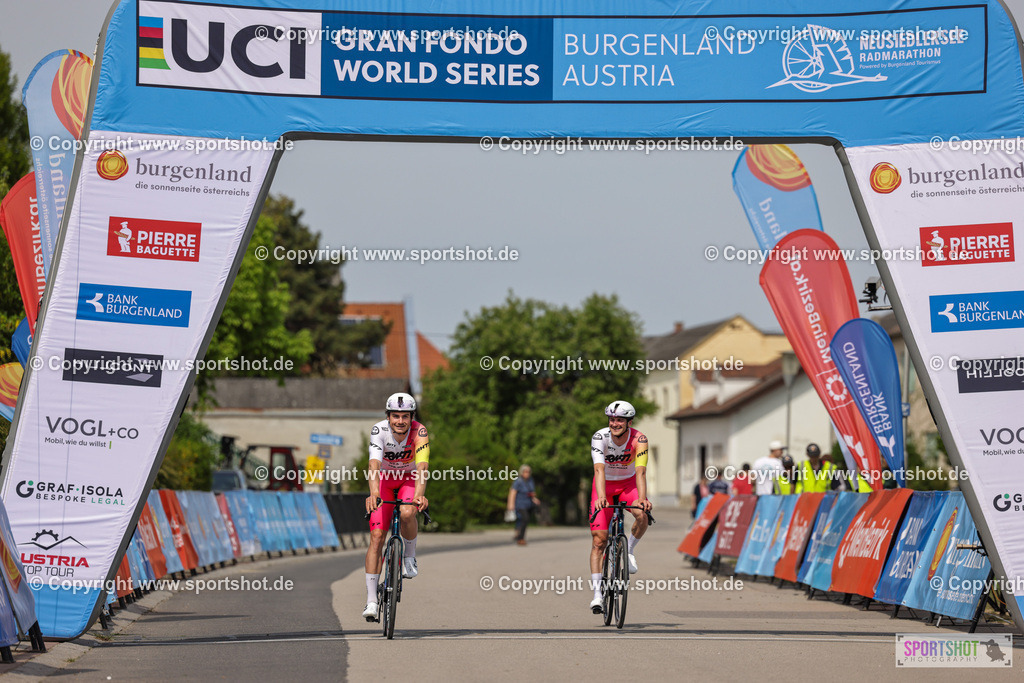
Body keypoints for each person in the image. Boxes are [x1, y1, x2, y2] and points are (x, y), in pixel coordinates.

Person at [362, 392, 430, 621]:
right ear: (388, 417)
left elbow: (422, 468)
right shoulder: (378, 430)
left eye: (405, 416)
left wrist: (420, 495)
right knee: (377, 536)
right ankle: (371, 601)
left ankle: (409, 557)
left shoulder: (419, 432)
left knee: (408, 512)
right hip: (384, 481)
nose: (400, 421)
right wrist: (373, 494)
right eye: (395, 416)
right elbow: (374, 463)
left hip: (409, 479)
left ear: (412, 417)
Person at [589, 400, 652, 613]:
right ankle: (598, 595)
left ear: (629, 422)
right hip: (604, 486)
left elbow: (641, 471)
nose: (615, 423)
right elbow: (599, 469)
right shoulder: (600, 437)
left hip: (628, 485)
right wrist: (600, 496)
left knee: (642, 514)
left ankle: (630, 549)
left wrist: (642, 498)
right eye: (612, 419)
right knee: (599, 541)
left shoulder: (639, 439)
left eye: (620, 420)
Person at [507, 465, 540, 545]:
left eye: (528, 472)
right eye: (525, 471)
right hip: (520, 504)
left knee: (523, 520)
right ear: (521, 472)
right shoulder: (518, 481)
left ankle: (518, 532)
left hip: (528, 503)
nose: (527, 473)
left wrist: (534, 499)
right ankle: (521, 538)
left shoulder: (530, 481)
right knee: (525, 519)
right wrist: (510, 504)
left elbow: (530, 492)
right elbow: (513, 493)